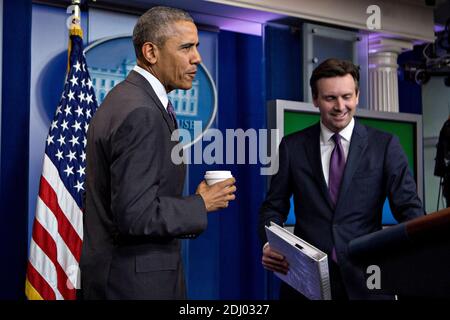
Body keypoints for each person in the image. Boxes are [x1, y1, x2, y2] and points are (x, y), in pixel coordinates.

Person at [80, 6, 236, 300]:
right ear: (151, 53)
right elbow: (135, 215)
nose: (197, 58)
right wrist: (200, 203)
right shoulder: (142, 111)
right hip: (134, 287)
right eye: (186, 47)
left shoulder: (128, 98)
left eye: (197, 47)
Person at [258, 58, 424, 300]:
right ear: (315, 99)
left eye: (347, 96)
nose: (340, 106)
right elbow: (272, 208)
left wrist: (412, 256)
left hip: (369, 281)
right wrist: (270, 244)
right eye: (330, 98)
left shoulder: (385, 145)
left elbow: (409, 209)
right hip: (306, 284)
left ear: (357, 96)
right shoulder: (292, 147)